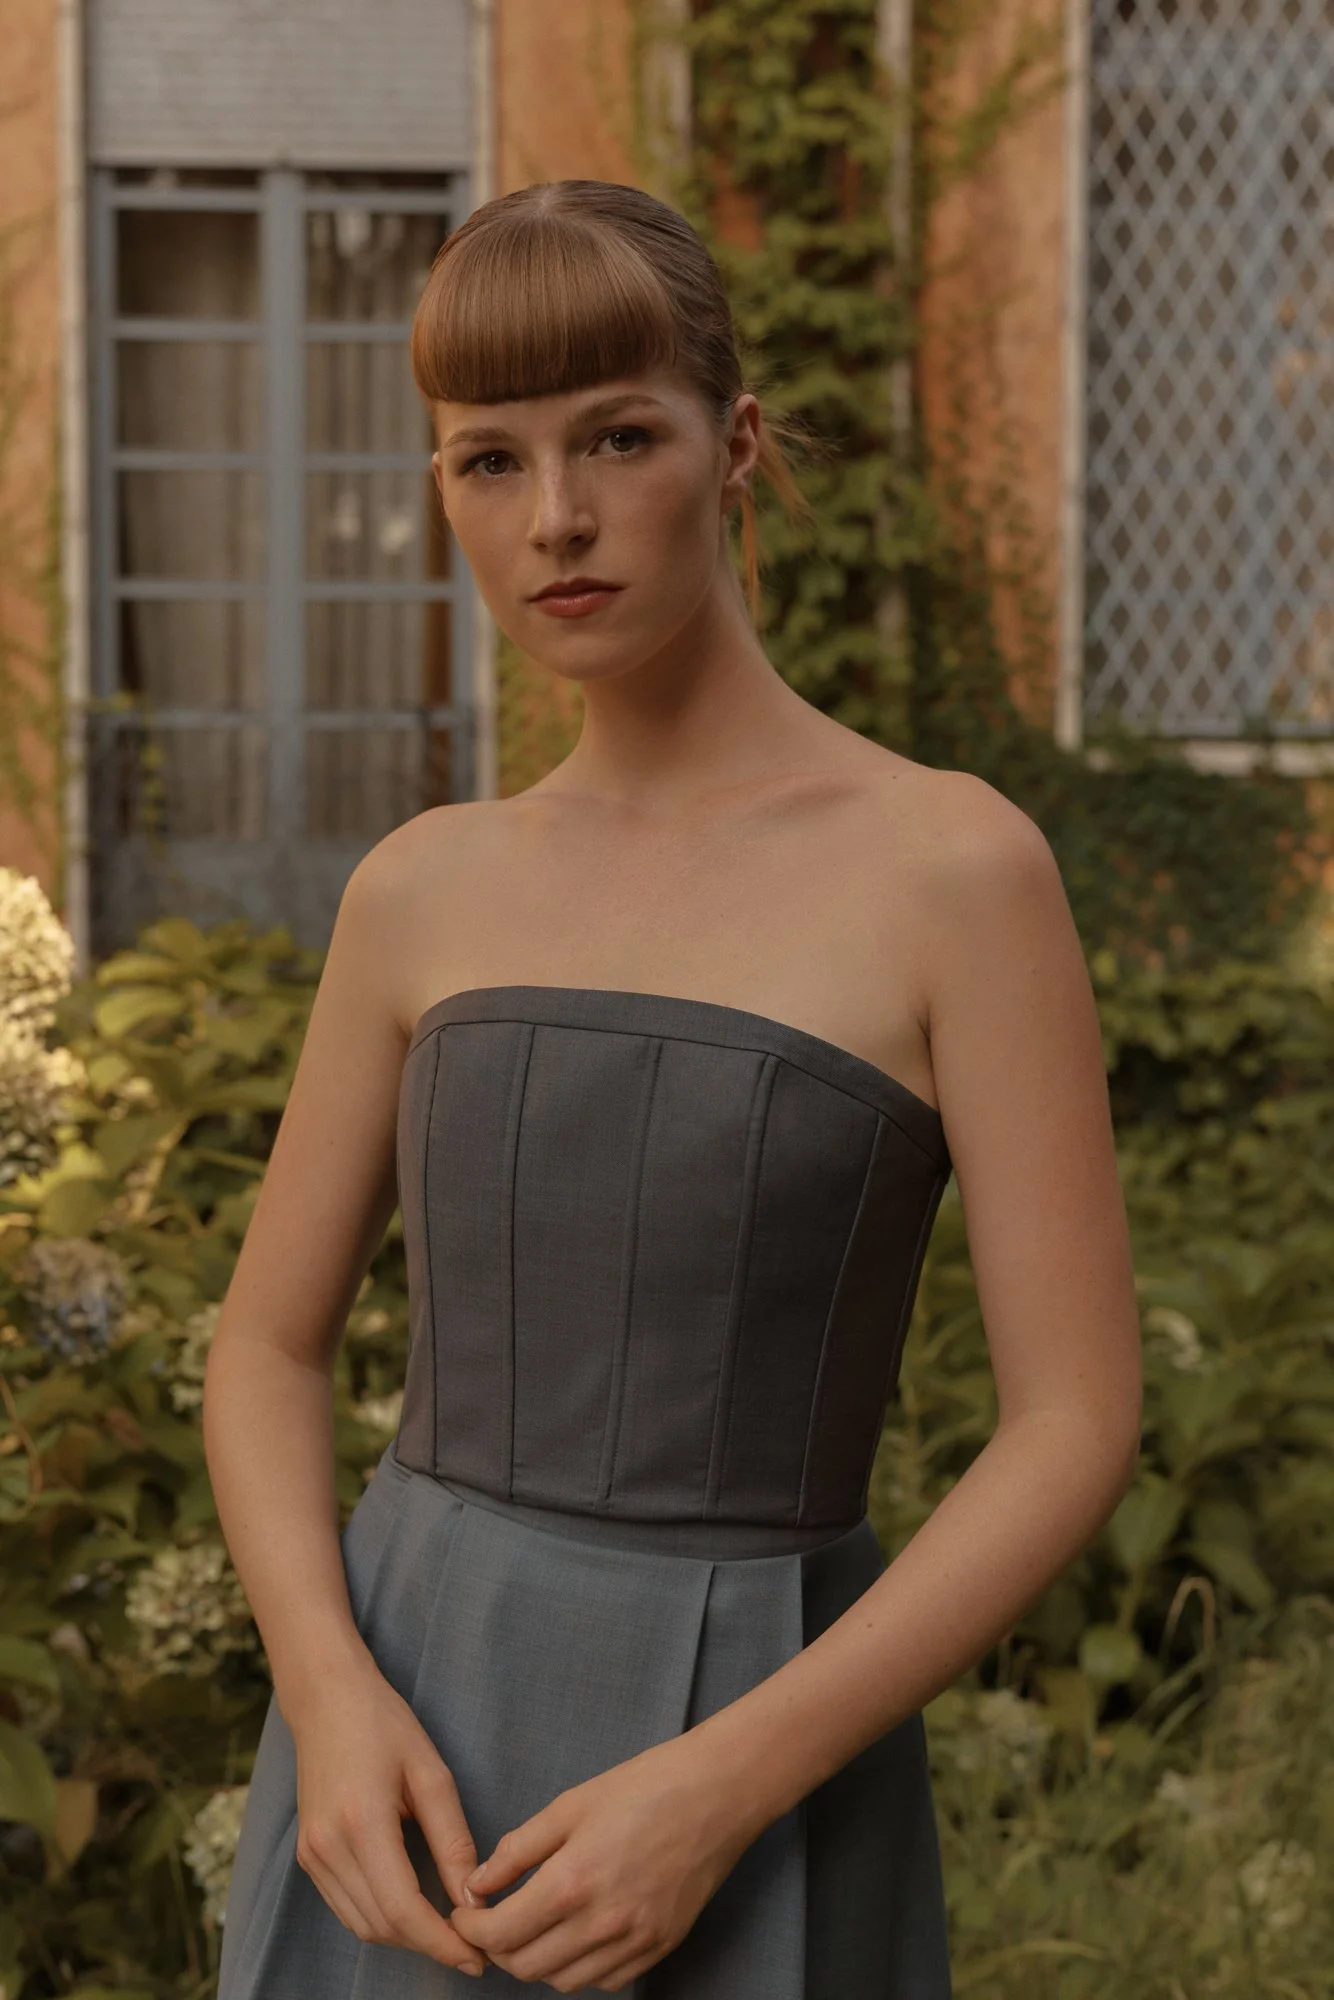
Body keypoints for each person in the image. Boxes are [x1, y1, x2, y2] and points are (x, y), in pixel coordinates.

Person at [207, 178, 1143, 1998]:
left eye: (617, 438)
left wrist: (722, 1786)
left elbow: (1072, 1423)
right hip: (397, 1766)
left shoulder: (953, 871)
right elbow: (263, 1346)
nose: (554, 517)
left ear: (735, 444)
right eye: (490, 460)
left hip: (761, 1761)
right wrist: (327, 1695)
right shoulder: (417, 887)